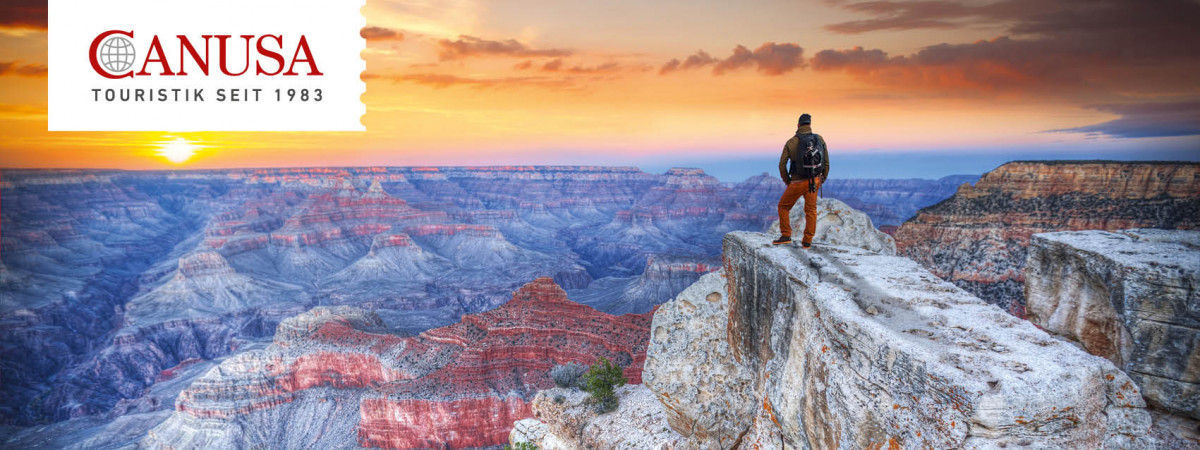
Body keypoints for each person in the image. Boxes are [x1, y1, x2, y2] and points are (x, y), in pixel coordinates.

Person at [774, 113, 829, 248]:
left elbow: (782, 165)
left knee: (783, 206)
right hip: (814, 181)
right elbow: (826, 162)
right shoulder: (819, 139)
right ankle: (807, 241)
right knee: (811, 210)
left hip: (797, 182)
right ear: (809, 125)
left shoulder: (791, 142)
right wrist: (821, 179)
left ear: (798, 125)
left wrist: (788, 181)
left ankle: (786, 235)